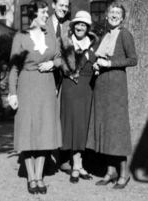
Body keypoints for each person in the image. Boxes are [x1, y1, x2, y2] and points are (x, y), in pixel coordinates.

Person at [8, 0, 62, 194]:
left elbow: (59, 58)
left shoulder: (50, 36)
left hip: (47, 87)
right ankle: (31, 178)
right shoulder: (20, 37)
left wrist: (52, 65)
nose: (47, 15)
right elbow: (14, 67)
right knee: (28, 132)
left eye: (47, 12)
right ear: (33, 15)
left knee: (45, 132)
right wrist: (13, 93)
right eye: (43, 12)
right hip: (26, 86)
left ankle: (40, 176)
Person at [86, 2, 137, 189]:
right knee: (105, 129)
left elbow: (133, 59)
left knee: (117, 130)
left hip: (116, 88)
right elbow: (101, 56)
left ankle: (124, 173)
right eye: (111, 12)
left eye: (118, 13)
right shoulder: (105, 36)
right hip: (101, 88)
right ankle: (110, 171)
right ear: (107, 15)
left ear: (122, 17)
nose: (114, 15)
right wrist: (98, 64)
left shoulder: (125, 34)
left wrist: (110, 63)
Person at [60, 10, 99, 183]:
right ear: (74, 26)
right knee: (73, 126)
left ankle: (79, 164)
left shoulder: (94, 47)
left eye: (84, 25)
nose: (80, 27)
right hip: (71, 88)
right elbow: (59, 63)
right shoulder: (66, 44)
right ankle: (75, 165)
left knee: (83, 126)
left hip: (87, 90)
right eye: (78, 24)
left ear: (88, 28)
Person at [45, 0, 71, 173]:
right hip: (46, 74)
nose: (63, 9)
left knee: (63, 116)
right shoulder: (43, 24)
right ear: (53, 5)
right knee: (46, 116)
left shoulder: (70, 26)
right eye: (61, 5)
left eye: (66, 6)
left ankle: (63, 158)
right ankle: (45, 158)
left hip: (66, 76)